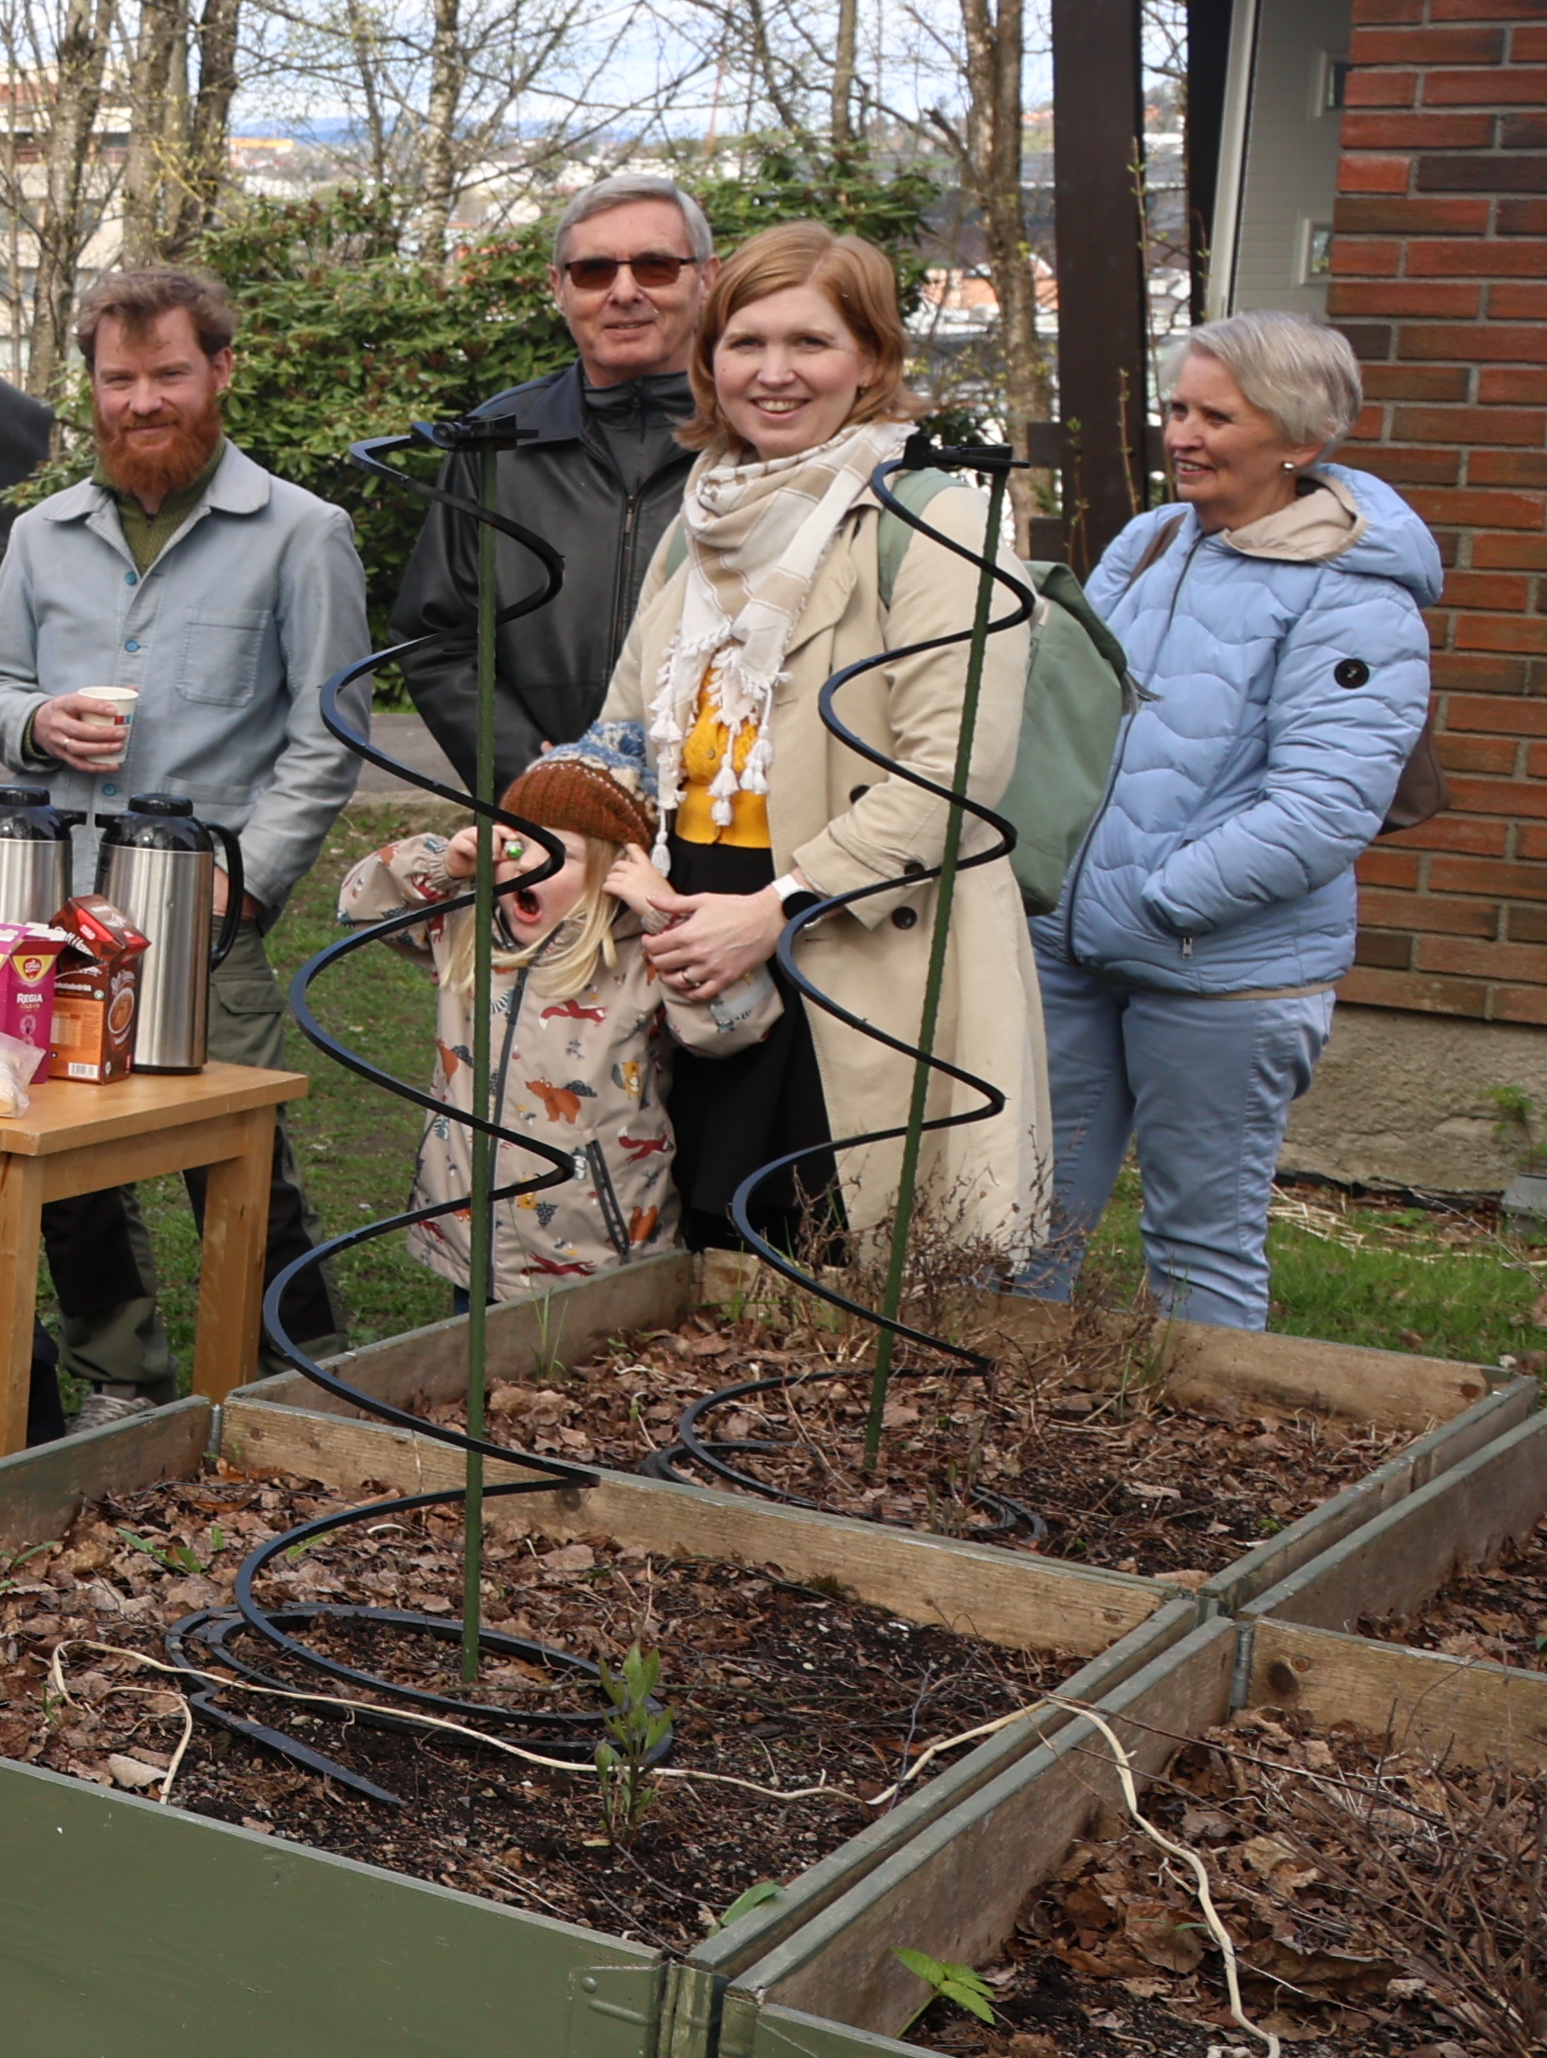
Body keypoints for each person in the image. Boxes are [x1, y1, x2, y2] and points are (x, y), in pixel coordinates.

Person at [595, 225, 1051, 1288]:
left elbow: (954, 780)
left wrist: (775, 909)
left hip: (842, 944)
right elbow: (627, 723)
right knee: (689, 1273)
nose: (775, 370)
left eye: (812, 340)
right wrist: (604, 841)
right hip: (690, 944)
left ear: (872, 359)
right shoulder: (695, 521)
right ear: (707, 358)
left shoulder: (936, 517)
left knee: (835, 1276)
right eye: (745, 340)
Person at [0, 268, 367, 1401]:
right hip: (57, 906)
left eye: (170, 375)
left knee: (239, 1159)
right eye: (120, 377)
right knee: (68, 1163)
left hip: (207, 914)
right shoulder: (44, 536)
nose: (144, 401)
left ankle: (300, 1374)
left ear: (221, 372)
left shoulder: (300, 533)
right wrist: (36, 717)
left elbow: (328, 737)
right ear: (92, 384)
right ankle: (117, 1374)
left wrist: (252, 883)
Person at [1036, 315, 1435, 1330]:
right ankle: (987, 1437)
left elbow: (1325, 807)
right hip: (1070, 949)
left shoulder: (1357, 597)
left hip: (1221, 968)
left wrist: (1159, 899)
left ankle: (1202, 1469)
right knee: (1021, 1221)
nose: (1184, 433)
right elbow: (1066, 709)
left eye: (1218, 414)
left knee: (1199, 1244)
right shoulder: (1153, 540)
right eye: (1177, 408)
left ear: (1297, 434)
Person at [390, 173, 710, 807]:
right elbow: (439, 641)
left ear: (708, 277)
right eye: (593, 271)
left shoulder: (758, 441)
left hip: (726, 824)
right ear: (558, 289)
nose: (625, 292)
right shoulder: (497, 448)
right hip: (548, 832)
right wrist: (536, 779)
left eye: (655, 266)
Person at [331, 802, 723, 1298]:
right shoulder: (466, 929)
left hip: (597, 1254)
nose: (523, 862)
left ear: (614, 874)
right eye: (513, 844)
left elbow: (731, 1025)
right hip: (471, 1245)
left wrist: (669, 921)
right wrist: (445, 867)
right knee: (472, 1370)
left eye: (559, 853)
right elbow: (358, 903)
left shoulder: (643, 958)